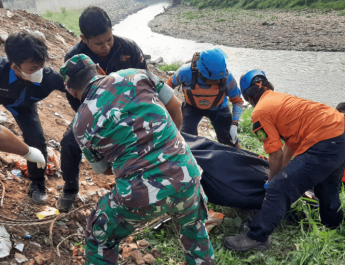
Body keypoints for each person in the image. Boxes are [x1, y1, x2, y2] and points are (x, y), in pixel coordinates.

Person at [59, 54, 214, 265]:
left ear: (69, 89)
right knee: (194, 230)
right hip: (187, 177)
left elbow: (103, 169)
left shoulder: (79, 124)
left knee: (99, 236)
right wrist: (167, 145)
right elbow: (176, 107)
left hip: (139, 194)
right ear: (99, 69)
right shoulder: (136, 75)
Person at [224, 70, 345, 251]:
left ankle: (257, 237)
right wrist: (283, 172)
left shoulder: (260, 112)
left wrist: (273, 180)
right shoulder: (281, 99)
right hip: (339, 131)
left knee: (279, 187)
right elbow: (289, 145)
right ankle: (334, 226)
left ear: (248, 97)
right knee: (327, 185)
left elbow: (275, 154)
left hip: (324, 140)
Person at [58, 6, 149, 211]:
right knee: (69, 143)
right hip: (93, 113)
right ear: (84, 38)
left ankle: (143, 182)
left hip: (131, 109)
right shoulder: (75, 57)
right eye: (99, 44)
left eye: (109, 39)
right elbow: (74, 97)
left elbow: (144, 83)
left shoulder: (128, 48)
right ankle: (70, 188)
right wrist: (96, 120)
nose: (106, 46)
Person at [0, 31, 66, 203]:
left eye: (41, 65)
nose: (39, 72)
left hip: (24, 108)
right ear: (15, 67)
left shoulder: (50, 78)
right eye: (32, 69)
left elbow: (77, 91)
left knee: (36, 139)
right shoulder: (1, 72)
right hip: (3, 97)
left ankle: (37, 183)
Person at [168, 48, 243, 148]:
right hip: (192, 106)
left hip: (219, 107)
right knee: (186, 136)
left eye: (218, 80)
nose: (216, 82)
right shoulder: (184, 72)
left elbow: (237, 100)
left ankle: (239, 158)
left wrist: (234, 123)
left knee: (230, 139)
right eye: (212, 80)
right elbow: (168, 87)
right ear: (201, 72)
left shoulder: (227, 77)